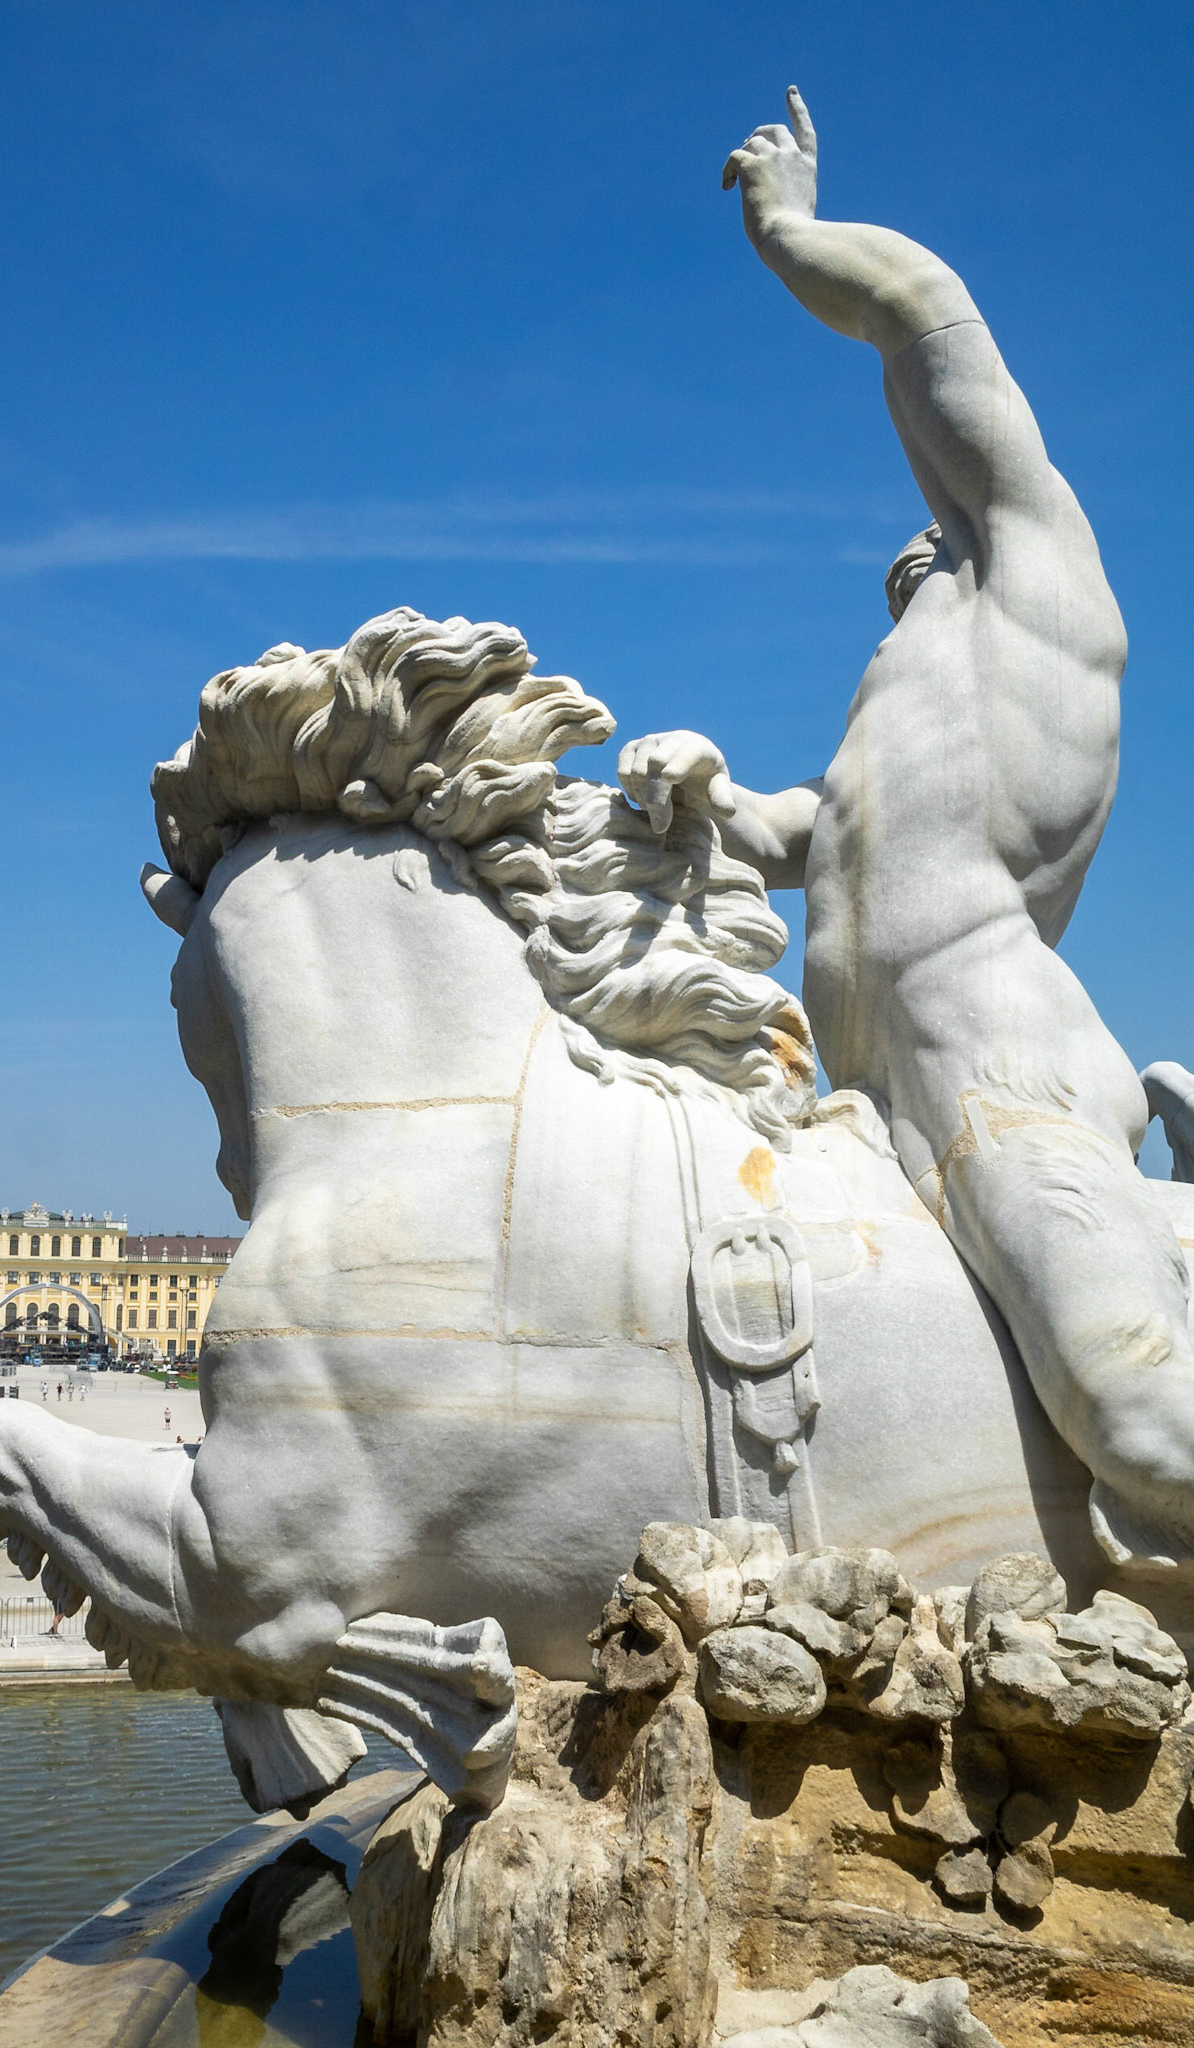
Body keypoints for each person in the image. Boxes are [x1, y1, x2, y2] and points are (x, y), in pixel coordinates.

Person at [621, 89, 1194, 1572]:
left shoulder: (1040, 579)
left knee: (1143, 1424)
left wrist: (791, 231)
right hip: (853, 1092)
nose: (904, 575)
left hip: (986, 1062)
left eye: (924, 555)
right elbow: (815, 829)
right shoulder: (911, 690)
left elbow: (928, 320)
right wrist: (709, 795)